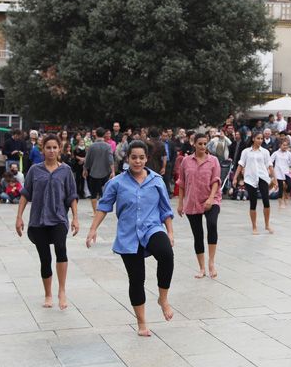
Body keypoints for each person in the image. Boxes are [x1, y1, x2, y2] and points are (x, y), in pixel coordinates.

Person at [86, 140, 175, 337]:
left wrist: (170, 231)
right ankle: (142, 323)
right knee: (136, 279)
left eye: (141, 158)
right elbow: (104, 206)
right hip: (128, 234)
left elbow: (165, 209)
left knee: (166, 253)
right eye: (134, 157)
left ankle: (163, 298)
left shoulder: (156, 180)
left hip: (152, 228)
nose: (137, 161)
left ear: (147, 159)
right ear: (127, 159)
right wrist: (93, 229)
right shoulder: (117, 182)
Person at [16, 134, 79, 310]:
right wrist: (19, 217)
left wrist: (75, 218)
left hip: (58, 218)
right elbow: (25, 194)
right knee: (45, 258)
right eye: (48, 147)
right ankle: (48, 294)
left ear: (60, 149)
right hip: (38, 221)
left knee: (61, 249)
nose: (51, 151)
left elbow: (72, 196)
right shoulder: (35, 170)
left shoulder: (65, 171)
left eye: (54, 147)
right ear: (42, 149)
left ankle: (62, 291)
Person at [176, 133, 221, 279]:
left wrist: (210, 198)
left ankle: (211, 263)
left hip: (211, 199)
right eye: (200, 143)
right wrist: (180, 203)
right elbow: (181, 183)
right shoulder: (186, 161)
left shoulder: (213, 160)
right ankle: (201, 267)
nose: (203, 146)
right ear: (193, 143)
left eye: (205, 143)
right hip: (192, 200)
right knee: (198, 235)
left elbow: (216, 181)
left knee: (212, 224)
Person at [233, 132, 275, 234]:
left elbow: (270, 165)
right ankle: (254, 226)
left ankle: (267, 225)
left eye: (262, 139)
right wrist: (235, 178)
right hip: (250, 178)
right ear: (253, 139)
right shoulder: (246, 152)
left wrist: (275, 179)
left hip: (263, 177)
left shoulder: (265, 152)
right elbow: (240, 165)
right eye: (258, 138)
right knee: (253, 202)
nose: (260, 140)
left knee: (266, 201)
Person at [83, 127, 115, 214]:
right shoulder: (108, 146)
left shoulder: (91, 146)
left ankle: (94, 212)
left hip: (93, 172)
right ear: (104, 135)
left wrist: (85, 169)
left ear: (95, 134)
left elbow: (87, 159)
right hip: (105, 172)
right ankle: (102, 210)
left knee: (93, 193)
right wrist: (113, 171)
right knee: (104, 193)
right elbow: (110, 159)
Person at [271, 138, 291, 208]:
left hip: (286, 172)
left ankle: (286, 197)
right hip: (278, 172)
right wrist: (270, 171)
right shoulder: (276, 153)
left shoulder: (289, 154)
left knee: (290, 186)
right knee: (281, 188)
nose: (285, 147)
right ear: (280, 145)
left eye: (286, 145)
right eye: (283, 145)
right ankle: (280, 203)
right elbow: (270, 162)